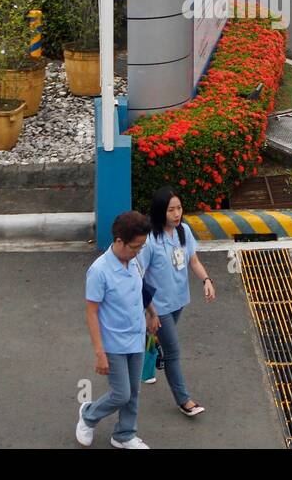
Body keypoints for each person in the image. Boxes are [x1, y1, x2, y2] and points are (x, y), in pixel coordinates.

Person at [77, 210, 159, 449]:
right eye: (135, 247)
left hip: (136, 338)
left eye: (142, 247)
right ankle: (88, 415)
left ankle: (124, 435)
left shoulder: (134, 261)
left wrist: (152, 313)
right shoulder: (99, 271)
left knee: (134, 393)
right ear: (119, 241)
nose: (138, 252)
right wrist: (99, 352)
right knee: (121, 393)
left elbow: (141, 290)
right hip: (112, 343)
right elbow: (91, 312)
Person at [137, 188, 215, 416]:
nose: (176, 213)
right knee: (172, 351)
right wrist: (149, 311)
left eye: (179, 208)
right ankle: (184, 400)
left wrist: (206, 280)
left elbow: (194, 261)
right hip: (158, 307)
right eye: (171, 210)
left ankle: (145, 360)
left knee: (155, 337)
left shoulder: (184, 232)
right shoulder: (150, 240)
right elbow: (139, 275)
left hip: (179, 300)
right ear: (160, 211)